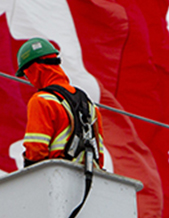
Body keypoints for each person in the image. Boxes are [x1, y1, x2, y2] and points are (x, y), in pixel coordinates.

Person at [16, 38, 105, 168]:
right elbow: (99, 157)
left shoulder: (42, 100)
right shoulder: (90, 106)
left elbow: (36, 150)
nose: (29, 80)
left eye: (26, 75)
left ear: (35, 70)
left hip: (56, 177)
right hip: (89, 181)